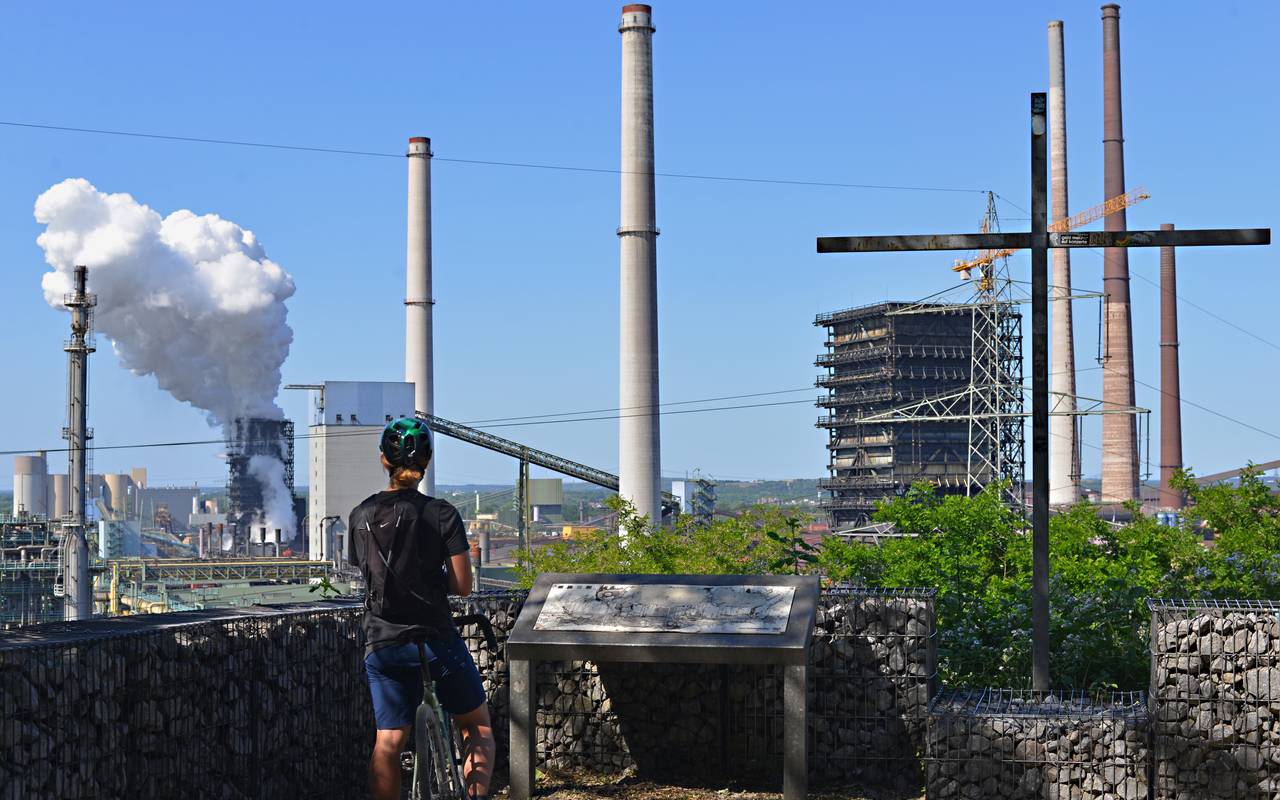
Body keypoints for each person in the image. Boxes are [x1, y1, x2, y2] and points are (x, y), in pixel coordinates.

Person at [349, 417, 495, 800]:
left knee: (388, 744)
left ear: (384, 460)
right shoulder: (443, 514)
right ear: (428, 461)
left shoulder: (360, 516)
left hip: (383, 645)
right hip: (434, 639)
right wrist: (431, 582)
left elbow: (369, 576)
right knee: (477, 727)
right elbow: (463, 586)